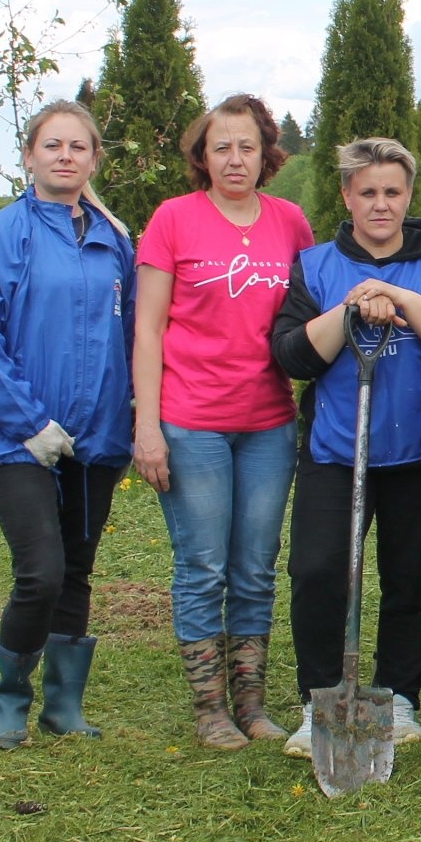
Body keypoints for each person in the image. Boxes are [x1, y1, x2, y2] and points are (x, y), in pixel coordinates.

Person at [272, 137, 421, 757]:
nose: (381, 204)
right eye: (367, 192)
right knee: (316, 571)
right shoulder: (315, 266)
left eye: (393, 191)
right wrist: (350, 308)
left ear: (409, 195)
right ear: (347, 196)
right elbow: (292, 355)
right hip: (337, 449)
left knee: (409, 578)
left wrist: (397, 298)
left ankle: (397, 699)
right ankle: (320, 703)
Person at [0, 100, 135, 749]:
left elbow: (134, 333)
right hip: (16, 440)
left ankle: (64, 705)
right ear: (28, 156)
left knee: (77, 572)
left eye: (77, 147)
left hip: (97, 438)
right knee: (41, 572)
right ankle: (10, 699)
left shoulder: (115, 243)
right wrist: (28, 422)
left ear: (93, 159)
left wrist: (132, 415)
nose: (64, 156)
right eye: (51, 145)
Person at [133, 94, 317, 749]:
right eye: (221, 147)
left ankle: (252, 702)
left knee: (255, 566)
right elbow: (148, 329)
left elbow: (307, 314)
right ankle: (209, 706)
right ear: (201, 157)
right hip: (191, 421)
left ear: (265, 155)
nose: (234, 158)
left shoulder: (291, 222)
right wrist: (147, 426)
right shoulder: (173, 221)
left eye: (246, 146)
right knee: (202, 565)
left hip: (267, 421)